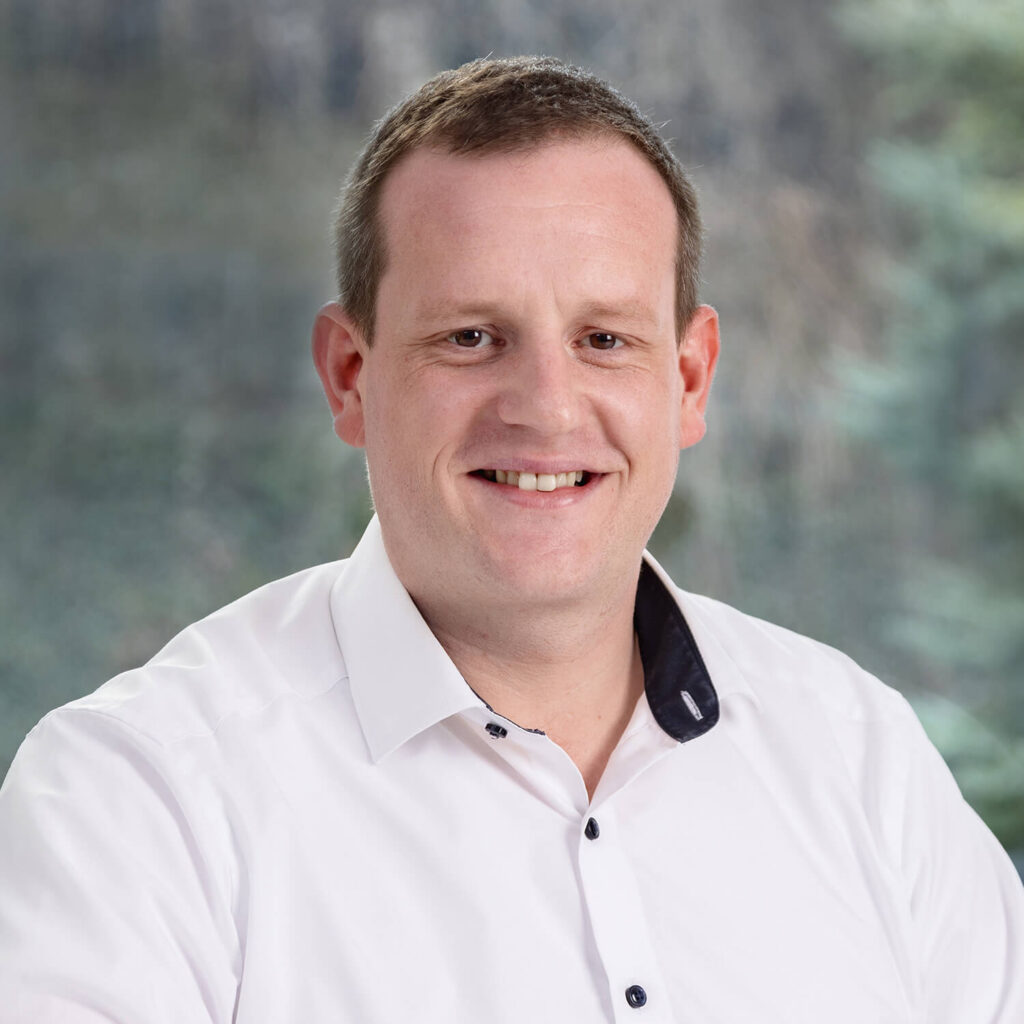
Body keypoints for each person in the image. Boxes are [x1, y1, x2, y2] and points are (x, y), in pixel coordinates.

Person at [0, 55, 1021, 1024]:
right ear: (351, 376)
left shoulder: (858, 756)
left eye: (604, 339)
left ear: (688, 379)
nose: (545, 406)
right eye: (471, 338)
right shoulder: (139, 799)